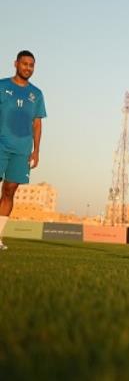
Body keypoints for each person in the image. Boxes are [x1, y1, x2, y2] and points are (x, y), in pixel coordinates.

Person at [0, 50, 47, 250]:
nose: (28, 68)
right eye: (24, 64)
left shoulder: (36, 94)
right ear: (16, 64)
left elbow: (37, 124)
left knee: (9, 191)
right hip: (1, 145)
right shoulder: (2, 86)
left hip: (22, 149)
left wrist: (36, 151)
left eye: (31, 65)